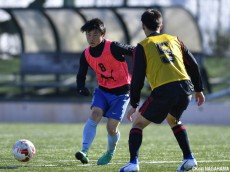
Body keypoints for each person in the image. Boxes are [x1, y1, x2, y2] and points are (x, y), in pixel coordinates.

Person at [118, 9, 205, 172]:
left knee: (137, 124)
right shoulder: (175, 39)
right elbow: (193, 64)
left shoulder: (142, 46)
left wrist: (134, 103)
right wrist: (199, 89)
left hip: (165, 90)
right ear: (161, 25)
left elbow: (137, 78)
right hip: (185, 88)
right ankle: (189, 158)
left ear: (143, 26)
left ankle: (133, 164)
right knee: (173, 120)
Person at [75, 18, 135, 166]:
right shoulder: (86, 54)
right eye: (88, 35)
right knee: (95, 114)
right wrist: (80, 86)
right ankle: (84, 151)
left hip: (122, 94)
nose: (91, 38)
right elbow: (81, 74)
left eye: (95, 35)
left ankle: (109, 152)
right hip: (102, 91)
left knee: (111, 128)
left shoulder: (113, 47)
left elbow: (133, 51)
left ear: (103, 34)